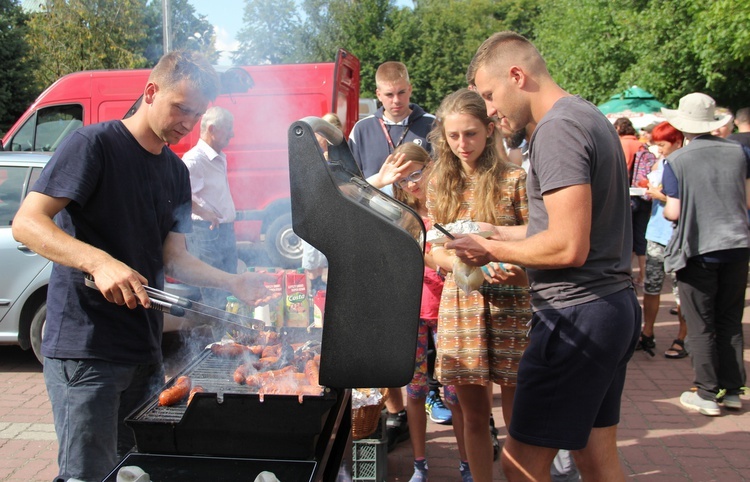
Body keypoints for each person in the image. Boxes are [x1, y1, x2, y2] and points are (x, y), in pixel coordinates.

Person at [11, 50, 274, 482]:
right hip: (86, 348)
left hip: (144, 348)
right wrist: (98, 262)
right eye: (181, 108)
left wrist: (234, 281)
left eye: (198, 113)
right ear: (151, 92)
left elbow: (174, 258)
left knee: (134, 469)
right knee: (86, 474)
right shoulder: (92, 145)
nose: (189, 123)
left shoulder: (174, 171)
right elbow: (27, 222)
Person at [455, 31, 639, 481]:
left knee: (521, 468)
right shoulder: (586, 115)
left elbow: (567, 245)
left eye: (491, 95)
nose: (490, 109)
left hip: (575, 316)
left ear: (518, 75)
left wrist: (489, 249)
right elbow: (562, 225)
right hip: (610, 307)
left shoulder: (557, 130)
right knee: (596, 456)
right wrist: (496, 228)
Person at [427, 88, 531, 482]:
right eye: (453, 136)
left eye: (470, 134)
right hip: (462, 301)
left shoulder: (513, 178)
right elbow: (430, 249)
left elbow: (537, 236)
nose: (461, 145)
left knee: (517, 416)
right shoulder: (440, 181)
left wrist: (502, 253)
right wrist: (457, 264)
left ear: (489, 131)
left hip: (510, 299)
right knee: (472, 414)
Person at [371, 143, 473, 482]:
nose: (412, 184)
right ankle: (419, 464)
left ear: (430, 168)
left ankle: (467, 464)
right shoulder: (395, 212)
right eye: (403, 179)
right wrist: (382, 180)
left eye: (417, 173)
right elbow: (350, 200)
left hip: (449, 312)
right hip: (411, 311)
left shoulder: (449, 206)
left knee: (456, 394)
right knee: (414, 391)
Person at [660, 92, 750, 416]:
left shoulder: (677, 161)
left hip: (698, 248)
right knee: (730, 320)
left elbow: (673, 211)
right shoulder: (738, 152)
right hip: (737, 244)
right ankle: (733, 390)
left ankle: (707, 392)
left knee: (700, 323)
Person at [638, 121, 688, 359]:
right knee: (652, 286)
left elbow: (683, 201)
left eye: (663, 144)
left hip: (678, 236)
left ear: (677, 141)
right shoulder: (661, 161)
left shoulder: (685, 163)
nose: (659, 149)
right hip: (656, 232)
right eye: (656, 144)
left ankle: (682, 337)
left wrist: (661, 195)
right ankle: (647, 332)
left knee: (681, 291)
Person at [182, 106, 238, 309]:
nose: (232, 133)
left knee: (231, 289)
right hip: (207, 235)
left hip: (224, 232)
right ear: (212, 129)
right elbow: (178, 195)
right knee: (215, 296)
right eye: (228, 128)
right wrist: (205, 213)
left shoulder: (219, 156)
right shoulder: (194, 159)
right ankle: (219, 340)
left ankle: (231, 338)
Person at [348, 61, 435, 178]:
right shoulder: (362, 129)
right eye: (389, 94)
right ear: (378, 95)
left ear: (410, 89)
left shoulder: (432, 125)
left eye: (401, 92)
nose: (396, 100)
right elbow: (350, 179)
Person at [615, 117, 658, 287]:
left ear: (618, 127)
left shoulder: (623, 144)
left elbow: (622, 170)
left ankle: (628, 275)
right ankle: (644, 274)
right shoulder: (640, 144)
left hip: (629, 197)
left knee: (627, 237)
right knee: (641, 236)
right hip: (644, 195)